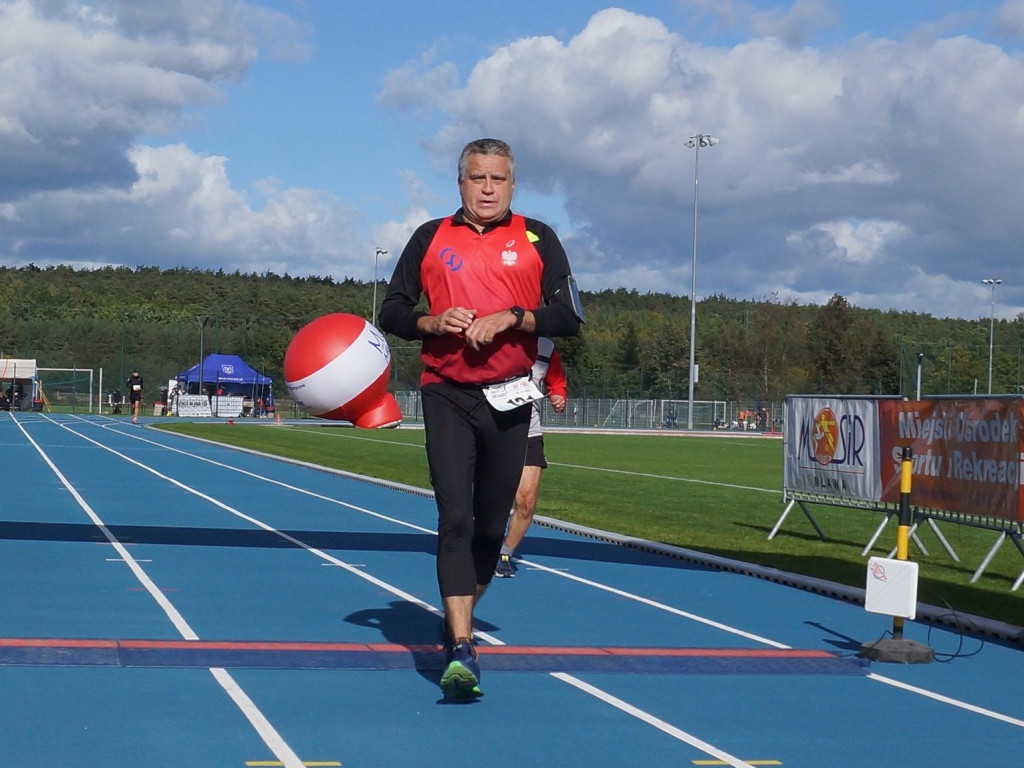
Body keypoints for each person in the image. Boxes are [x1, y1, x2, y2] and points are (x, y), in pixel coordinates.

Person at [379, 137, 583, 699]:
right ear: (460, 183)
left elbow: (568, 316)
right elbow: (392, 309)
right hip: (446, 392)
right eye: (476, 178)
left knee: (493, 528)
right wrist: (432, 321)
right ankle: (463, 645)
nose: (487, 188)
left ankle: (459, 614)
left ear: (512, 185)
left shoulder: (539, 237)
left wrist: (514, 318)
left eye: (497, 179)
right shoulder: (430, 236)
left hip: (511, 396)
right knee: (456, 516)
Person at [495, 338, 567, 578]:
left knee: (526, 501)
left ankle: (504, 553)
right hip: (491, 429)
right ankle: (481, 546)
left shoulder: (546, 348)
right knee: (487, 499)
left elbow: (556, 382)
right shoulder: (494, 336)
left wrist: (559, 396)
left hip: (529, 430)